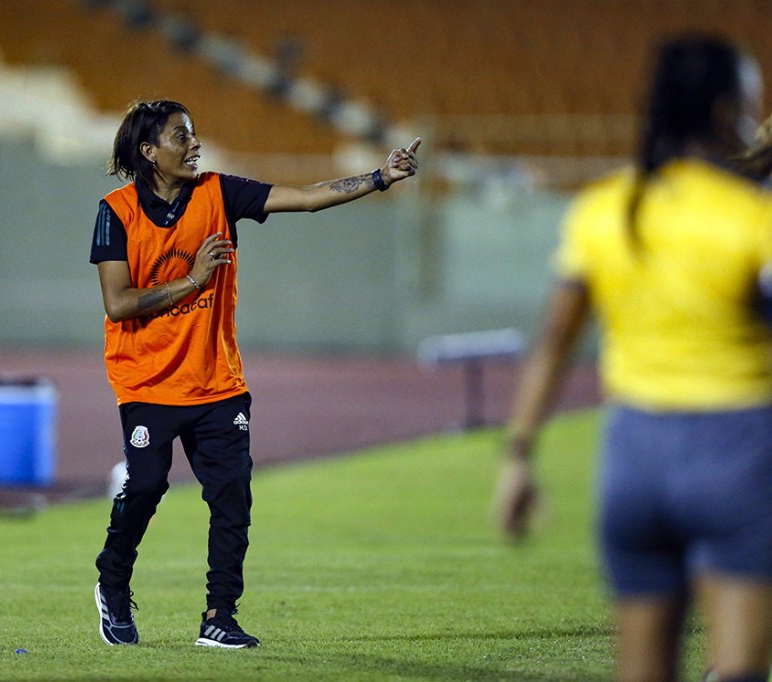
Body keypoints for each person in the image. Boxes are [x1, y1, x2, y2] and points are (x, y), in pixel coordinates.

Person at [89, 99, 419, 648]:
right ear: (150, 152)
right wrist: (194, 280)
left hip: (218, 382)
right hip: (146, 382)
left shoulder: (219, 192)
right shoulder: (115, 210)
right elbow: (118, 304)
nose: (194, 144)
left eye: (193, 135)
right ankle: (113, 580)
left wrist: (381, 176)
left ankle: (219, 616)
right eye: (180, 137)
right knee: (145, 486)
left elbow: (309, 198)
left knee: (232, 497)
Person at [493, 37, 772, 682]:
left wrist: (518, 456)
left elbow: (554, 344)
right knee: (738, 670)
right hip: (738, 449)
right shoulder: (753, 219)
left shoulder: (603, 209)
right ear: (730, 110)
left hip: (634, 456)